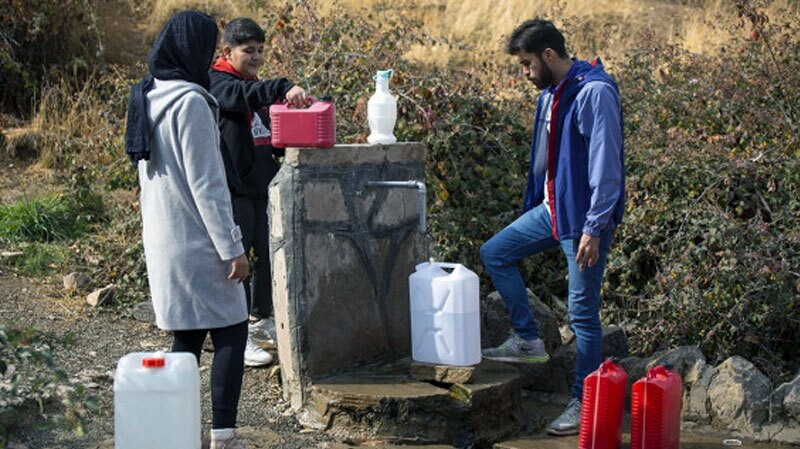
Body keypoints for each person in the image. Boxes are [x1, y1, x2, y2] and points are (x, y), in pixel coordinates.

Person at [480, 18, 624, 436]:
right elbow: (546, 161)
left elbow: (606, 167)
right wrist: (535, 203)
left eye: (526, 64)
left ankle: (584, 400)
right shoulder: (551, 95)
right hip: (552, 211)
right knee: (495, 253)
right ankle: (528, 339)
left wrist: (595, 228)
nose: (524, 72)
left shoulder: (594, 93)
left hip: (584, 221)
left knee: (582, 314)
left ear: (548, 55)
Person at [124, 10, 251, 449]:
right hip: (198, 240)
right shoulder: (191, 103)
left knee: (190, 332)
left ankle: (174, 430)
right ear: (191, 51)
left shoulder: (148, 96)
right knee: (233, 325)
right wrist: (232, 248)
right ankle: (224, 435)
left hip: (164, 238)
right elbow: (208, 185)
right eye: (208, 46)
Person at [209, 17, 309, 367]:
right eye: (248, 51)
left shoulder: (253, 86)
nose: (255, 57)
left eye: (260, 51)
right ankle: (237, 334)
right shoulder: (218, 84)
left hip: (264, 189)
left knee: (270, 256)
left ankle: (259, 319)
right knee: (239, 263)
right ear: (227, 51)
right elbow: (241, 97)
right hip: (235, 191)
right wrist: (282, 86)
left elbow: (268, 136)